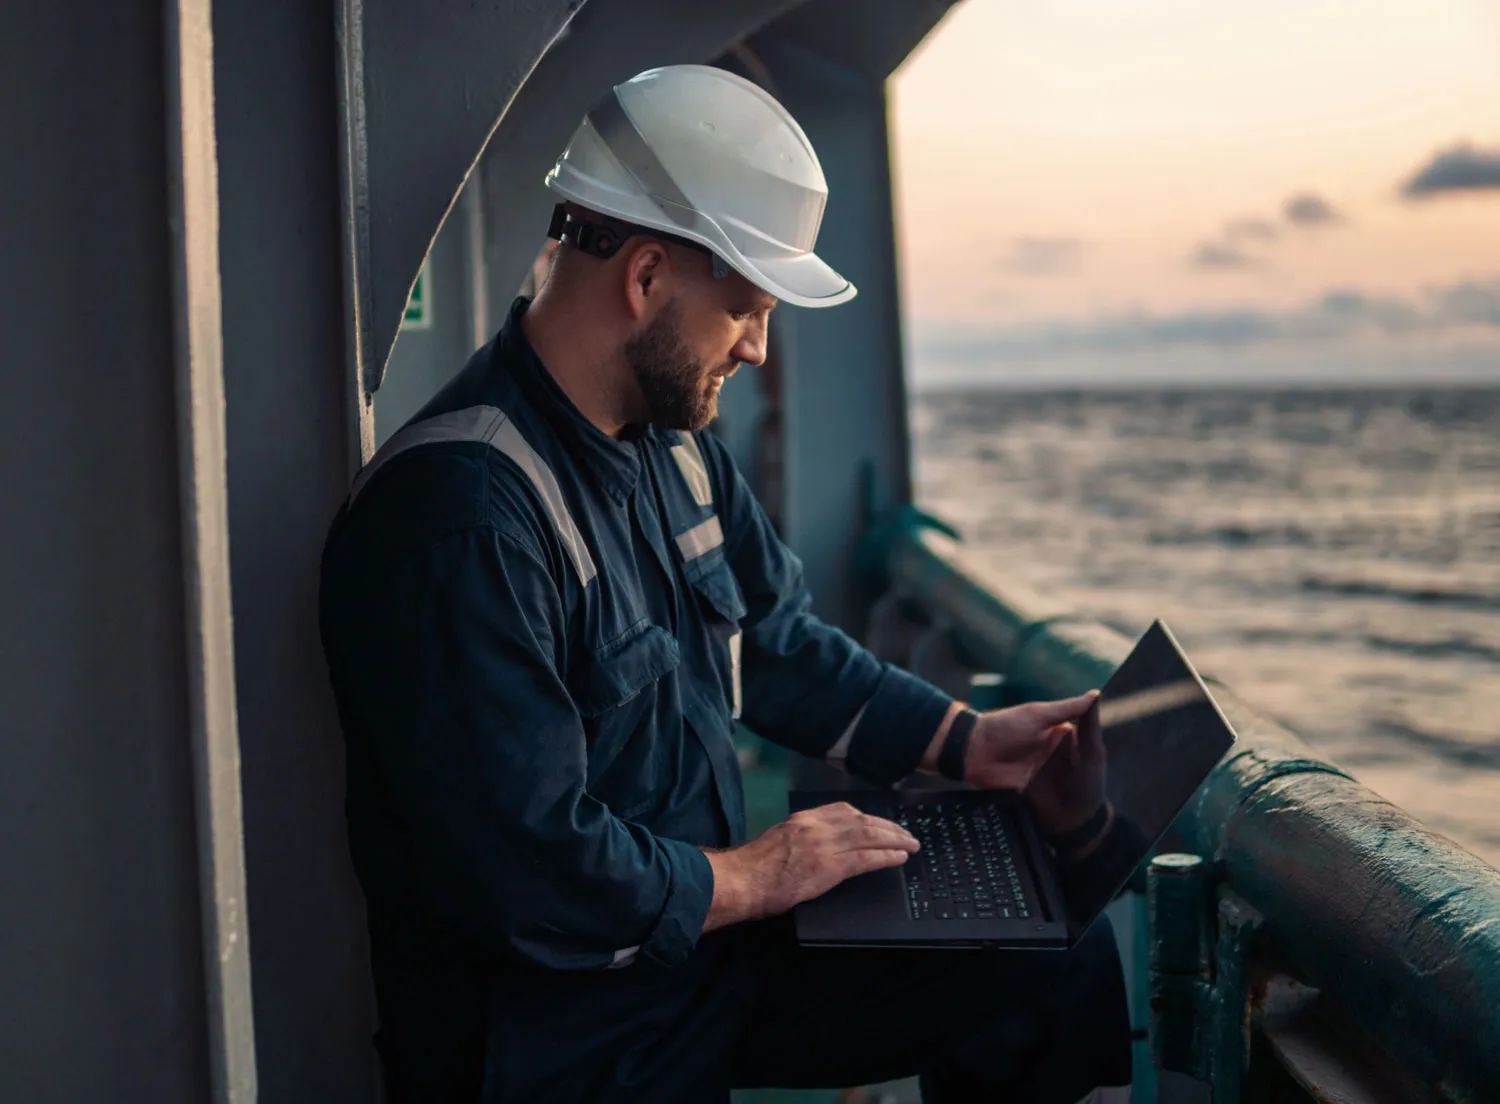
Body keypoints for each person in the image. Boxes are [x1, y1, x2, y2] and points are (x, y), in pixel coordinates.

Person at [319, 64, 1131, 1103]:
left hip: (698, 958)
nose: (756, 347)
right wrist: (761, 873)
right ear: (647, 277)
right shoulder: (461, 519)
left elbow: (777, 640)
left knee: (1051, 953)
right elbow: (525, 872)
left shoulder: (672, 444)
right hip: (558, 1039)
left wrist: (965, 742)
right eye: (746, 308)